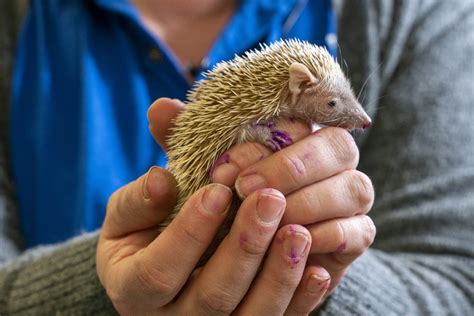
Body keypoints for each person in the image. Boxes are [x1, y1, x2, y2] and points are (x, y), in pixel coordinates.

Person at [1, 0, 473, 314]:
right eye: (333, 106)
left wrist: (313, 269)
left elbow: (457, 287)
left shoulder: (419, 14)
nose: (357, 117)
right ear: (296, 89)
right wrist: (114, 281)